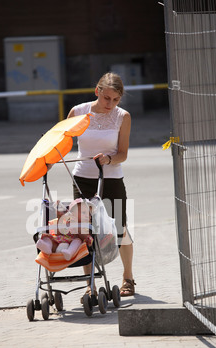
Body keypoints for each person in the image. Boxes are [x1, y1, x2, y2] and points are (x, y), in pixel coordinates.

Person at [67, 72, 135, 298]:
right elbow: (64, 141)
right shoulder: (77, 112)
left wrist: (109, 159)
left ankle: (128, 277)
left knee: (119, 229)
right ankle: (90, 284)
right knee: (86, 232)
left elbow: (123, 153)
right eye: (107, 98)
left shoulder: (122, 116)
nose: (111, 104)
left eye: (115, 100)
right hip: (82, 178)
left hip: (111, 178)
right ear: (97, 91)